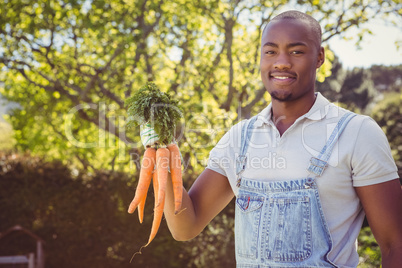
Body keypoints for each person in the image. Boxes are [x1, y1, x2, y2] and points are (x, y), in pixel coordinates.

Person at [160, 10, 402, 268]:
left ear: (319, 57)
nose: (282, 62)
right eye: (271, 52)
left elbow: (394, 244)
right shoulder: (239, 138)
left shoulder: (357, 133)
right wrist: (161, 160)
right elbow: (185, 227)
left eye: (296, 51)